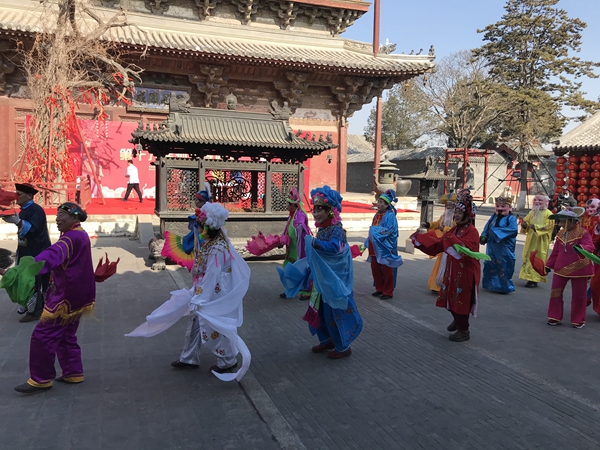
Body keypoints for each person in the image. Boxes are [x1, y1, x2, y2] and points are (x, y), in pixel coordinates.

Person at [127, 202, 252, 381]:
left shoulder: (217, 248)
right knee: (195, 322)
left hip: (214, 294)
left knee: (214, 325)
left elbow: (212, 276)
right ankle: (189, 357)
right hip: (204, 290)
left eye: (199, 226)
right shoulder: (211, 243)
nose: (197, 229)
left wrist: (200, 298)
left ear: (207, 227)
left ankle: (228, 360)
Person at [3, 203, 95, 393]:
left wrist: (23, 269)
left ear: (74, 218)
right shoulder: (81, 234)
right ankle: (73, 372)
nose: (58, 218)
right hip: (79, 294)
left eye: (62, 215)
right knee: (66, 335)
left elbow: (51, 255)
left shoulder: (69, 238)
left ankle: (41, 378)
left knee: (42, 336)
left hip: (65, 296)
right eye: (57, 214)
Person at [280, 186, 363, 358]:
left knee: (333, 313)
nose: (316, 213)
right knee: (320, 311)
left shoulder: (337, 230)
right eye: (315, 209)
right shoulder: (323, 229)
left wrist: (315, 244)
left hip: (334, 281)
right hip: (322, 280)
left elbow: (336, 249)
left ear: (330, 211)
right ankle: (326, 340)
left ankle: (343, 346)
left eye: (320, 210)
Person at [411, 189, 480, 342]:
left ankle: (464, 329)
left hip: (466, 272)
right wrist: (421, 240)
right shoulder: (456, 228)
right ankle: (457, 319)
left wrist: (450, 238)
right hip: (453, 268)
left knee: (461, 300)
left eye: (459, 213)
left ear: (467, 215)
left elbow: (466, 248)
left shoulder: (472, 231)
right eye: (455, 212)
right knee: (449, 297)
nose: (456, 215)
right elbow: (440, 242)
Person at [2, 183, 51, 322]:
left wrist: (18, 222)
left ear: (29, 196)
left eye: (19, 194)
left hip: (37, 250)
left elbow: (33, 229)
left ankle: (35, 311)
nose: (16, 196)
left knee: (32, 281)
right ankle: (35, 308)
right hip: (27, 250)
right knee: (29, 280)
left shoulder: (36, 210)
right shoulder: (24, 210)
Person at [545, 207, 594, 328]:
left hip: (580, 268)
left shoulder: (583, 233)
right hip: (560, 268)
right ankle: (554, 316)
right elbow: (556, 252)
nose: (561, 223)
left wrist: (581, 248)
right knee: (555, 292)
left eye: (563, 221)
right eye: (561, 221)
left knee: (579, 295)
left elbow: (590, 246)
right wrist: (548, 265)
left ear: (572, 220)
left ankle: (578, 319)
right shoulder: (560, 233)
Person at [365, 189, 403, 299]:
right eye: (378, 201)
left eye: (381, 202)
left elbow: (389, 230)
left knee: (387, 269)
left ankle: (388, 291)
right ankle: (379, 288)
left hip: (385, 246)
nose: (379, 204)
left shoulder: (390, 216)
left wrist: (375, 231)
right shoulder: (376, 215)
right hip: (375, 246)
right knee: (375, 267)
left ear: (387, 205)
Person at [480, 196, 518, 294]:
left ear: (510, 208)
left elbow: (513, 230)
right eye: (497, 206)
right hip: (492, 246)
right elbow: (487, 227)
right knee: (490, 263)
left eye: (503, 206)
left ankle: (504, 287)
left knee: (504, 265)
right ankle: (490, 284)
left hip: (504, 247)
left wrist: (496, 233)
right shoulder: (493, 217)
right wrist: (484, 235)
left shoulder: (511, 218)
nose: (500, 208)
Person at [279, 187, 312, 300]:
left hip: (299, 248)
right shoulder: (292, 215)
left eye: (288, 204)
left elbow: (302, 227)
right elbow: (287, 228)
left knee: (301, 270)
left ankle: (305, 292)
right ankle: (289, 290)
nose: (286, 206)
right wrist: (282, 240)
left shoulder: (300, 214)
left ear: (293, 205)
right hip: (291, 248)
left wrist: (299, 226)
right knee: (287, 269)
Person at [421, 191, 456, 292]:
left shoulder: (456, 216)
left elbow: (456, 229)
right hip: (443, 243)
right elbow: (437, 224)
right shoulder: (444, 215)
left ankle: (446, 286)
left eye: (451, 205)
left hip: (452, 244)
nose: (448, 207)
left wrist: (444, 229)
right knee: (440, 264)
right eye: (447, 205)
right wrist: (428, 224)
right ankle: (437, 285)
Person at [519, 194, 554, 288]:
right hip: (531, 238)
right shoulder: (532, 212)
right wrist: (524, 224)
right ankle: (527, 276)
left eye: (540, 200)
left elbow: (549, 226)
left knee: (537, 257)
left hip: (541, 240)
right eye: (535, 200)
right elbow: (527, 221)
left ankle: (534, 279)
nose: (537, 202)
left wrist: (536, 227)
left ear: (546, 202)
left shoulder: (549, 214)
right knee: (528, 256)